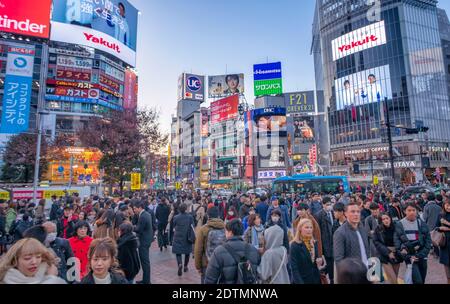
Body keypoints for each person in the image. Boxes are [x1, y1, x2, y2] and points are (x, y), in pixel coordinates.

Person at [204, 219, 260, 284]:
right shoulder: (253, 250)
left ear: (230, 232)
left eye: (226, 231)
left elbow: (210, 278)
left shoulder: (219, 251)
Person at [394, 202, 432, 284]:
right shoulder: (399, 224)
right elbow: (397, 243)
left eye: (414, 210)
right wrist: (407, 255)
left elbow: (428, 242)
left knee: (422, 280)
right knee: (417, 281)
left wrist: (420, 255)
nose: (411, 212)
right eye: (409, 210)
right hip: (410, 258)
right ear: (404, 211)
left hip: (422, 256)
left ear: (417, 211)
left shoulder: (422, 224)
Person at [0, 238, 66, 284]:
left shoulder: (48, 271)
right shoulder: (4, 279)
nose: (34, 262)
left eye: (38, 257)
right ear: (14, 261)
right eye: (27, 258)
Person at [333, 202, 370, 270]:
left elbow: (367, 250)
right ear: (345, 213)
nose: (356, 214)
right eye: (352, 212)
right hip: (353, 274)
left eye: (358, 212)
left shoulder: (362, 229)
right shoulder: (340, 232)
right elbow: (339, 260)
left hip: (367, 270)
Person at [194, 207, 226, 284]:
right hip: (223, 262)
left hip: (207, 263)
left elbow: (198, 249)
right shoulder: (225, 228)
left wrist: (198, 266)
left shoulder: (203, 229)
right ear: (218, 216)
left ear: (208, 216)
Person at [290, 218, 324, 284]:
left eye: (311, 228)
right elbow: (294, 269)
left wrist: (320, 261)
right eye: (306, 227)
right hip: (302, 280)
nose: (309, 230)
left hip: (315, 279)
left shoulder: (314, 242)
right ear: (300, 229)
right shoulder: (295, 245)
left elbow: (315, 262)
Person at [373, 213, 402, 284]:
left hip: (396, 255)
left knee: (395, 277)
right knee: (393, 279)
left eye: (387, 218)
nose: (386, 220)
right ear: (381, 220)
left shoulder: (397, 227)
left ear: (390, 219)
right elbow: (376, 242)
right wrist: (388, 252)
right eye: (383, 219)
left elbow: (402, 239)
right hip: (384, 255)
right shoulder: (378, 229)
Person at [314, 196, 335, 283]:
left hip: (334, 241)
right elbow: (317, 233)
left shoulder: (333, 213)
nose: (329, 206)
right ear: (323, 205)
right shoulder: (319, 215)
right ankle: (331, 279)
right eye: (327, 205)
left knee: (333, 262)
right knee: (330, 262)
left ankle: (324, 271)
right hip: (326, 243)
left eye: (330, 204)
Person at [132, 200, 154, 284]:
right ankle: (145, 280)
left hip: (144, 241)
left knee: (145, 262)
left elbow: (139, 229)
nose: (134, 210)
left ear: (140, 207)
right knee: (145, 261)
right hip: (146, 240)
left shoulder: (143, 216)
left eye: (135, 208)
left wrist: (132, 226)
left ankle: (146, 281)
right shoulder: (146, 214)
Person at [172, 203, 195, 276]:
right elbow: (193, 225)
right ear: (185, 209)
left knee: (178, 253)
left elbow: (174, 225)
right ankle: (185, 266)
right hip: (187, 236)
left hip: (178, 236)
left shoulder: (176, 217)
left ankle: (180, 264)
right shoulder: (190, 217)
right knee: (187, 252)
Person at [436, 200, 450, 284]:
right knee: (447, 271)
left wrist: (446, 224)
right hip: (445, 245)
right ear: (444, 205)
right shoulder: (441, 215)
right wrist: (440, 228)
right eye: (447, 205)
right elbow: (435, 227)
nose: (448, 207)